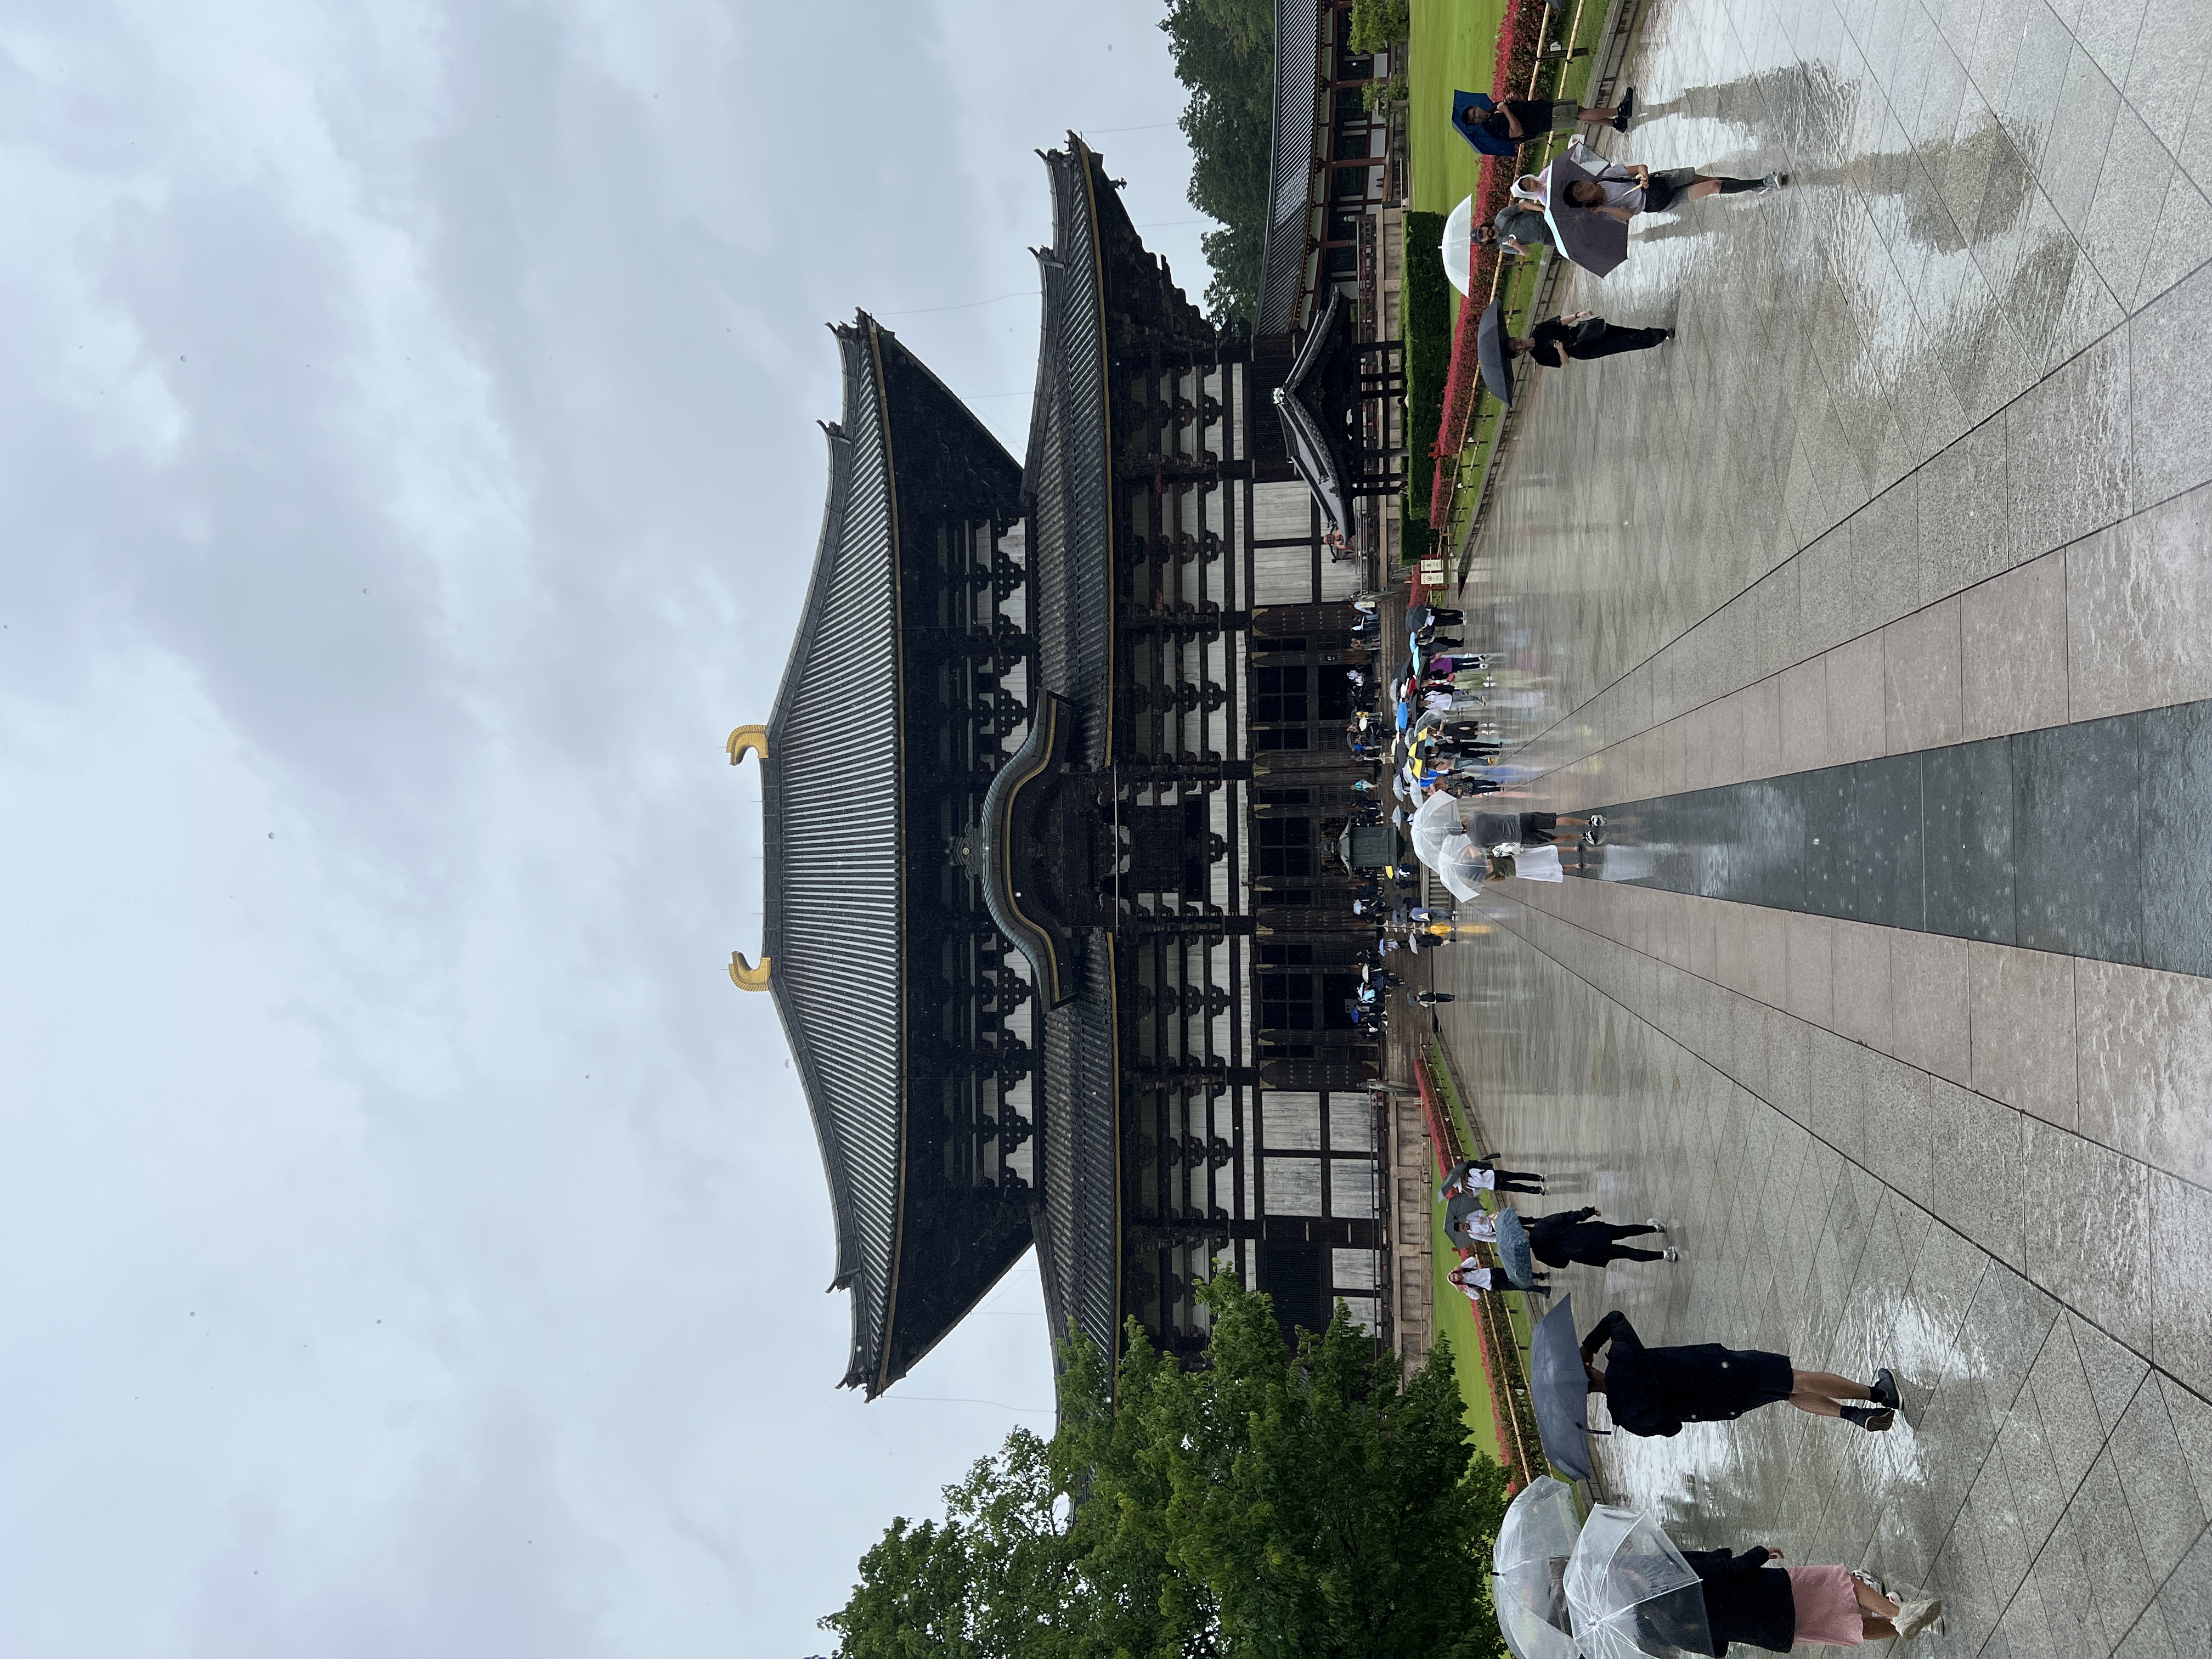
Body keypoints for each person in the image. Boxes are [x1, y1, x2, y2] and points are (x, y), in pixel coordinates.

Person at [1579, 1310, 1903, 1436]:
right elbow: (1615, 1319)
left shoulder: (1626, 1418)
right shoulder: (1623, 1361)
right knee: (1797, 1379)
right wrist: (1589, 1346)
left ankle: (1854, 1415)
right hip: (1723, 1371)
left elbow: (1672, 1429)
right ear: (1589, 1367)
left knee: (1787, 1394)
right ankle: (1880, 1394)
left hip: (1721, 1407)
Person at [1680, 1548, 1944, 1649]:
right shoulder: (1666, 1573)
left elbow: (1717, 1649)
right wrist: (1759, 1554)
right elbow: (1723, 1568)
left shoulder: (1663, 1630)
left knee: (1843, 1627)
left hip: (1767, 1630)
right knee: (1841, 1584)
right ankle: (1901, 1615)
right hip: (1766, 1592)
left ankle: (1922, 1626)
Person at [1562, 161, 1782, 219]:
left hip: (1661, 181)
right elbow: (1628, 215)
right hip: (1660, 202)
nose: (1585, 188)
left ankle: (1755, 186)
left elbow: (1640, 167)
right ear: (1584, 203)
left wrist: (1643, 175)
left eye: (1580, 185)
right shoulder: (1605, 210)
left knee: (1712, 179)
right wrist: (1603, 209)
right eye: (1581, 194)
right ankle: (1764, 182)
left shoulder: (1609, 175)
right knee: (1713, 187)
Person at [1457, 88, 1634, 151]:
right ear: (1475, 124)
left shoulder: (1493, 107)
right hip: (1542, 120)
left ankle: (1615, 123)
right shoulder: (1492, 128)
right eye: (1474, 118)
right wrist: (1506, 111)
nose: (1477, 115)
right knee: (1579, 113)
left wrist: (1513, 99)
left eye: (1474, 112)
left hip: (1541, 108)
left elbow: (1521, 104)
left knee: (1579, 112)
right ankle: (1620, 111)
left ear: (1476, 107)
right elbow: (1517, 132)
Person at [1513, 310, 1674, 366]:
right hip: (1582, 349)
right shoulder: (1540, 357)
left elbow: (1560, 322)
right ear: (1518, 353)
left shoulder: (1539, 330)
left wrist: (1577, 315)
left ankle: (1654, 335)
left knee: (1621, 333)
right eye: (1515, 347)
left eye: (1514, 341)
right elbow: (1564, 363)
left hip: (1583, 331)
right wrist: (1561, 350)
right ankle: (1661, 335)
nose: (1518, 344)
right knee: (1622, 343)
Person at [1528, 1206, 1679, 1266]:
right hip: (1590, 1234)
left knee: (1626, 1253)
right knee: (1625, 1231)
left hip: (1585, 1253)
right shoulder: (1541, 1226)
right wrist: (1588, 1212)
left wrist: (1566, 1250)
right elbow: (1567, 1217)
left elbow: (1562, 1264)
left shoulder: (1539, 1254)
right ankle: (1656, 1228)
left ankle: (1665, 1255)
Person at [1441, 1155, 1544, 1197]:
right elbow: (1480, 1188)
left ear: (1462, 1179)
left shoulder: (1471, 1172)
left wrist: (1470, 1179)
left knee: (1517, 1176)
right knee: (1517, 1188)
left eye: (1462, 1185)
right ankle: (1537, 1190)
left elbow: (1481, 1179)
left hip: (1496, 1176)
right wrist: (1473, 1193)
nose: (1464, 1187)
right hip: (1495, 1185)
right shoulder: (1469, 1186)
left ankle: (1537, 1178)